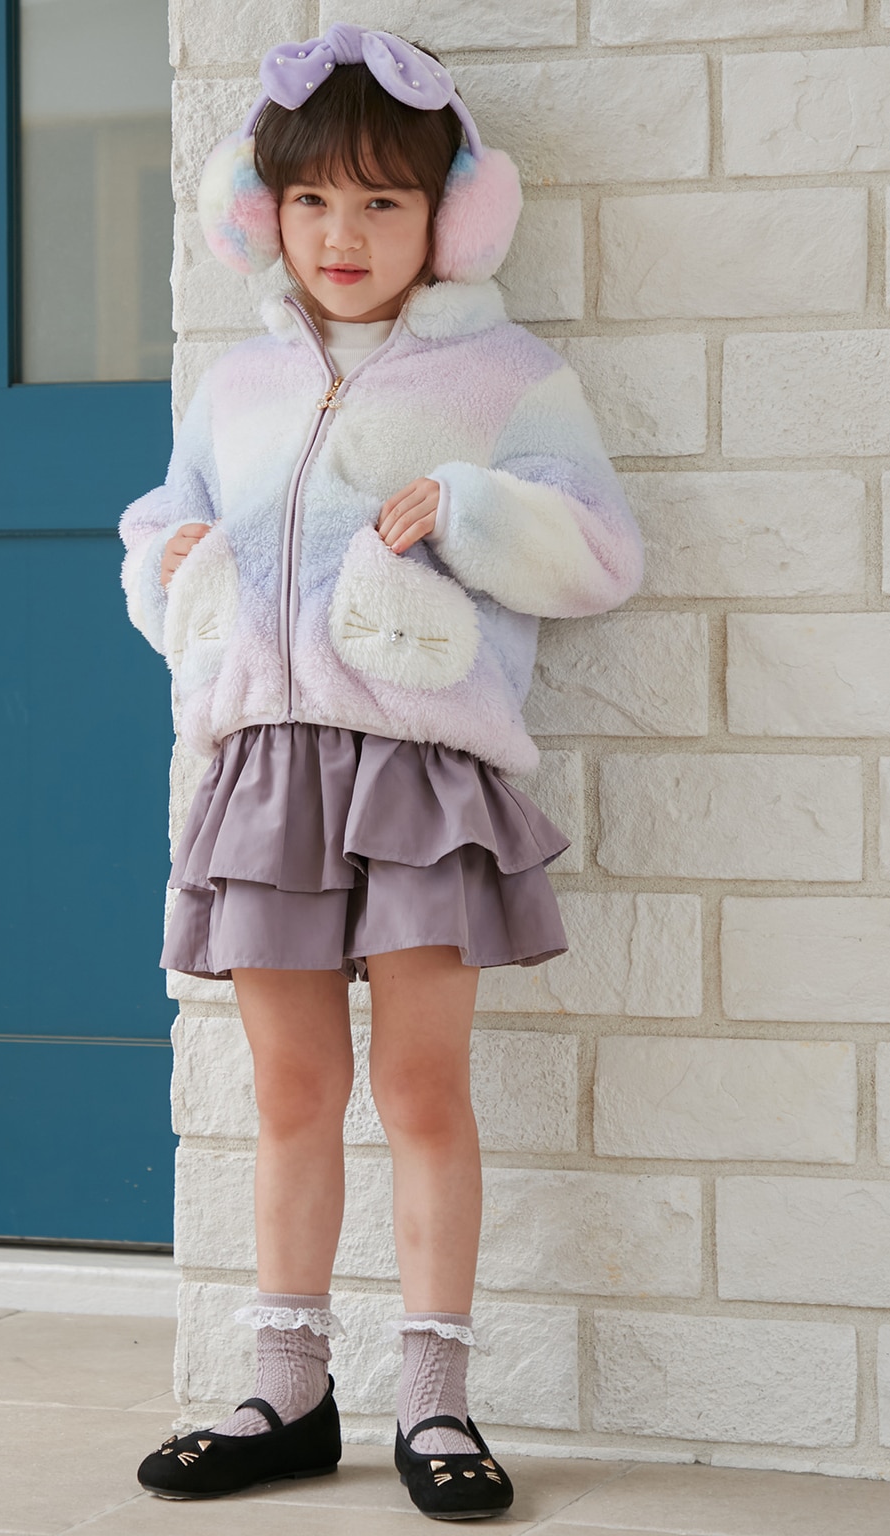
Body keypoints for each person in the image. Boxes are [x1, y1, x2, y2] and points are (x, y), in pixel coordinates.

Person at [119, 21, 644, 1521]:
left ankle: (436, 1402)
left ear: (449, 215)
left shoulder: (507, 377)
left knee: (421, 1085)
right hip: (268, 775)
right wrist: (177, 564)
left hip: (420, 775)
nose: (341, 235)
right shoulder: (236, 386)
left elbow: (601, 549)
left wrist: (472, 509)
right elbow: (160, 528)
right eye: (310, 200)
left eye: (381, 201)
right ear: (261, 212)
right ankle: (285, 1393)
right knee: (292, 1087)